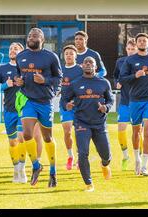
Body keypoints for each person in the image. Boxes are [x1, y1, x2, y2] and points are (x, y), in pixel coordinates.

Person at [16, 28, 62, 187]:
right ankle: (36, 165)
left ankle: (53, 171)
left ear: (42, 39)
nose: (31, 38)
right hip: (28, 100)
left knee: (47, 137)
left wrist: (45, 80)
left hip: (45, 101)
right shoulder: (20, 56)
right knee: (27, 134)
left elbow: (58, 78)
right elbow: (19, 76)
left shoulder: (51, 57)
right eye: (29, 35)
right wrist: (19, 82)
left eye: (35, 36)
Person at [0, 42, 43, 183]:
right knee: (12, 142)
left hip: (24, 109)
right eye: (10, 48)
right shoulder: (2, 69)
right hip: (9, 110)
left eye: (16, 48)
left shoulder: (27, 68)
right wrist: (5, 85)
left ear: (22, 52)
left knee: (22, 138)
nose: (12, 50)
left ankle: (22, 169)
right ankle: (16, 169)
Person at [62, 56, 114, 192]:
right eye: (86, 62)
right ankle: (88, 183)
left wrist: (106, 108)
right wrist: (66, 105)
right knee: (82, 153)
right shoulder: (75, 83)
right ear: (82, 66)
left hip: (99, 123)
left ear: (95, 67)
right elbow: (64, 99)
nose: (88, 64)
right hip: (81, 122)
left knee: (106, 155)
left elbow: (110, 99)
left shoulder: (104, 83)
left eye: (91, 62)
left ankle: (104, 165)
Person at [120, 33, 148, 176]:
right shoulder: (130, 60)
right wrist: (136, 75)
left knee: (147, 131)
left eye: (144, 41)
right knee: (136, 131)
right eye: (140, 41)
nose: (142, 43)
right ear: (137, 43)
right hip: (134, 100)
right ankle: (137, 159)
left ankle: (145, 166)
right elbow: (123, 79)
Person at [113, 38, 138, 171]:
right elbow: (115, 76)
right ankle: (125, 156)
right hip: (124, 101)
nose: (130, 52)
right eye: (128, 49)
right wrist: (117, 82)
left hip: (138, 101)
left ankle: (137, 160)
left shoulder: (141, 62)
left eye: (133, 49)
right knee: (121, 130)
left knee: (137, 132)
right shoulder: (120, 61)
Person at [59, 45, 83, 170]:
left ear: (75, 56)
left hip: (79, 105)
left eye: (71, 53)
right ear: (64, 56)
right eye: (66, 53)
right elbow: (56, 85)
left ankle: (80, 158)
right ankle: (70, 156)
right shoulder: (60, 70)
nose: (68, 55)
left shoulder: (80, 70)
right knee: (67, 131)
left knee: (79, 132)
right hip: (65, 105)